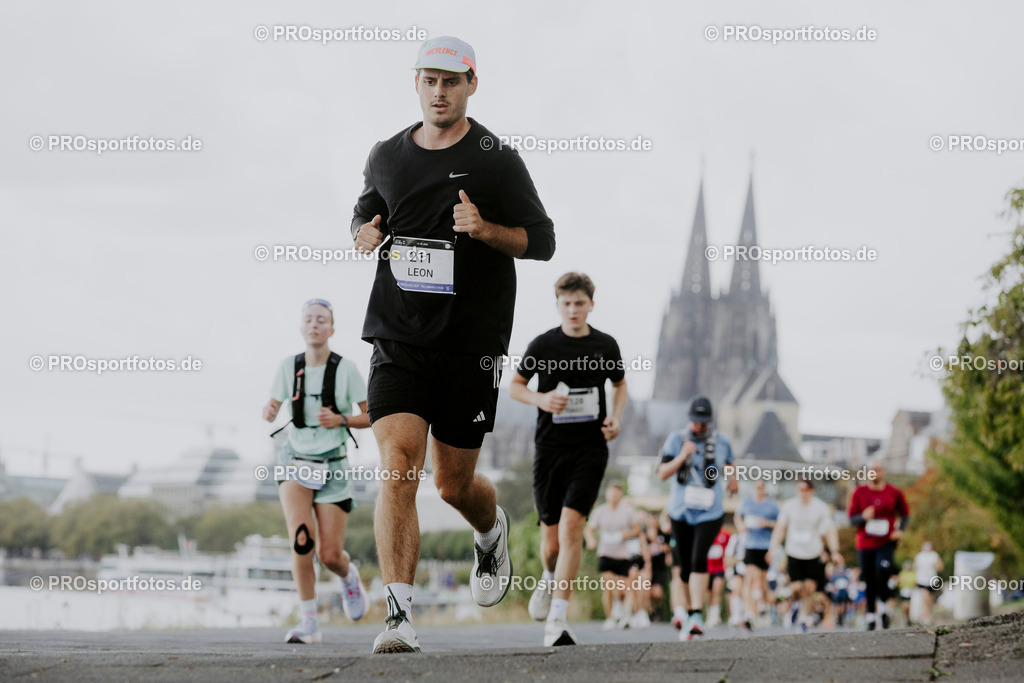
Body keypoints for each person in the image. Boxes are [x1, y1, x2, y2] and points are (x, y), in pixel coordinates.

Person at [350, 35, 555, 654]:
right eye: (429, 81)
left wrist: (486, 229)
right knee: (399, 465)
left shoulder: (496, 159)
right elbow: (364, 212)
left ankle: (490, 529)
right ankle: (398, 616)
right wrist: (363, 232)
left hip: (469, 344)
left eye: (451, 82)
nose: (439, 92)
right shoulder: (386, 154)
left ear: (471, 85)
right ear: (416, 83)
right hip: (397, 335)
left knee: (452, 485)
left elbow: (542, 240)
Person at [508, 272, 628, 645]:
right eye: (567, 303)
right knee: (552, 542)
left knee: (572, 527)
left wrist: (616, 419)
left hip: (590, 449)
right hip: (550, 450)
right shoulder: (543, 344)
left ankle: (557, 621)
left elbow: (620, 385)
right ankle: (548, 578)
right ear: (558, 304)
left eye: (580, 303)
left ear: (591, 304)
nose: (573, 309)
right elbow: (514, 386)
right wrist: (541, 400)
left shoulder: (605, 345)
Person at [262, 299, 371, 644]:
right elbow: (274, 404)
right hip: (294, 460)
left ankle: (348, 575)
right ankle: (309, 622)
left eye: (321, 320)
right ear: (301, 327)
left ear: (332, 329)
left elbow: (372, 415)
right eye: (308, 320)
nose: (314, 325)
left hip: (333, 464)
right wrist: (269, 409)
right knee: (301, 540)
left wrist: (340, 419)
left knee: (328, 555)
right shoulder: (288, 367)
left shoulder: (347, 370)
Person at [657, 396, 738, 640]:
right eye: (696, 422)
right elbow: (662, 473)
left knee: (698, 557)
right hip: (681, 510)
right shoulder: (676, 439)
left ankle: (695, 613)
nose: (699, 427)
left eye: (703, 423)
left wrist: (733, 477)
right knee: (683, 565)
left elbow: (731, 463)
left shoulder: (722, 441)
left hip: (710, 510)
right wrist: (682, 456)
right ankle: (683, 609)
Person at [767, 476, 842, 631]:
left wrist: (834, 551)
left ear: (812, 491)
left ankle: (803, 616)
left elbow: (830, 530)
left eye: (807, 490)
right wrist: (772, 547)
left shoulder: (820, 507)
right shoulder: (789, 506)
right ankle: (793, 607)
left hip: (813, 552)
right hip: (794, 552)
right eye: (801, 490)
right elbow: (781, 527)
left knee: (810, 587)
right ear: (797, 490)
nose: (804, 493)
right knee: (796, 587)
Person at [847, 462, 909, 630]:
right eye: (872, 471)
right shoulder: (859, 492)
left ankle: (883, 608)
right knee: (869, 579)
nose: (874, 473)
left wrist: (900, 530)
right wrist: (863, 516)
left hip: (886, 541)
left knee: (883, 571)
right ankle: (871, 615)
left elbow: (905, 514)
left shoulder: (893, 492)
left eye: (878, 470)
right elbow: (851, 519)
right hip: (865, 543)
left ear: (883, 472)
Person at [585, 482, 642, 631]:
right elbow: (589, 529)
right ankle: (609, 618)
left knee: (624, 588)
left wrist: (626, 535)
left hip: (622, 554)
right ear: (607, 494)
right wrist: (591, 540)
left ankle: (625, 614)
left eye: (617, 493)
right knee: (609, 586)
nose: (614, 496)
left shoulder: (627, 512)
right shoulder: (600, 512)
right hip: (606, 553)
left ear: (620, 495)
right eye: (612, 493)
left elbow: (637, 529)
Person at [735, 480, 779, 629]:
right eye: (756, 487)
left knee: (762, 580)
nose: (759, 490)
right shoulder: (746, 503)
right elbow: (737, 517)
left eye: (761, 487)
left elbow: (780, 525)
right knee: (750, 578)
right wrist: (741, 526)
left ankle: (765, 609)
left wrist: (767, 523)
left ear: (765, 489)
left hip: (765, 546)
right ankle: (749, 613)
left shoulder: (772, 505)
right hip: (750, 545)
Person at [705, 525, 731, 628]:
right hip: (707, 568)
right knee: (709, 593)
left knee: (717, 590)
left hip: (719, 568)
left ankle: (715, 615)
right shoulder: (705, 533)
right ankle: (709, 613)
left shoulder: (725, 535)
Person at [914, 541, 944, 625]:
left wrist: (935, 565)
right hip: (921, 580)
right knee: (925, 597)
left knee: (929, 599)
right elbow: (915, 566)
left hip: (931, 580)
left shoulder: (934, 555)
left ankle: (928, 614)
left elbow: (940, 567)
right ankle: (924, 615)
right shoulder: (919, 556)